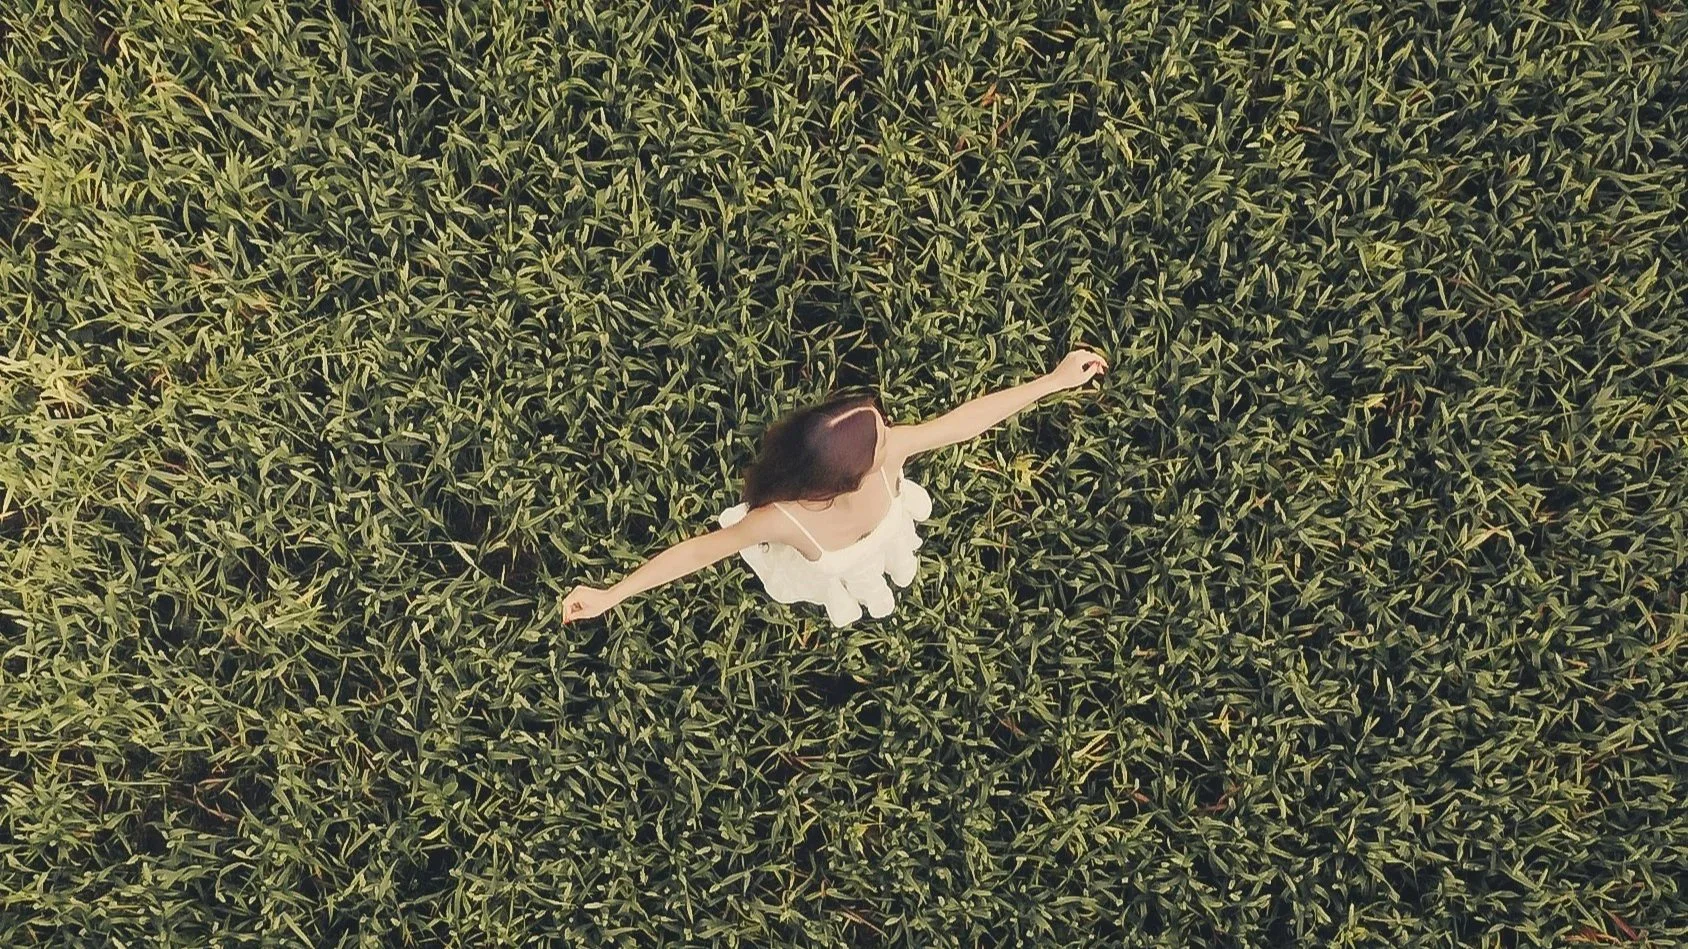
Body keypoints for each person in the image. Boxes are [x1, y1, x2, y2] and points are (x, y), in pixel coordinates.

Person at [561, 348, 1109, 627]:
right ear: (845, 480)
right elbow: (700, 551)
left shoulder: (888, 453)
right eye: (880, 438)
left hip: (881, 542)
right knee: (857, 586)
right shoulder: (782, 520)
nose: (890, 431)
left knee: (891, 568)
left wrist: (1055, 380)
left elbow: (964, 422)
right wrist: (613, 594)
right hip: (835, 565)